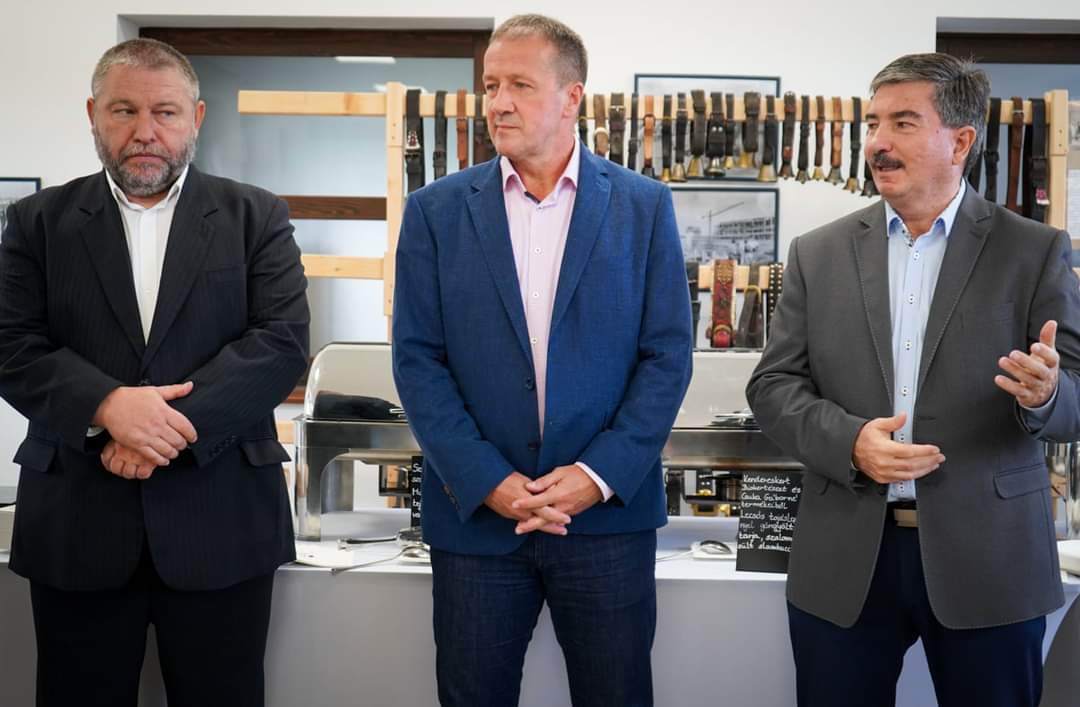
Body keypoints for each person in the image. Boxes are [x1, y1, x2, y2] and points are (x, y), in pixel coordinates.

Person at [747, 52, 1080, 707]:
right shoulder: (817, 253)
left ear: (960, 141)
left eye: (903, 123)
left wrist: (1046, 395)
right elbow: (773, 386)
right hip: (845, 559)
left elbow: (1075, 391)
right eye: (873, 123)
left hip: (989, 556)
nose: (877, 141)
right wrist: (851, 442)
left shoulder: (1033, 251)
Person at [392, 14, 692, 707]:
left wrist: (595, 475)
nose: (497, 102)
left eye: (520, 85)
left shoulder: (643, 207)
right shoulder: (435, 212)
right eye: (490, 85)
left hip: (606, 519)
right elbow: (417, 361)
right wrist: (487, 479)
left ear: (571, 97)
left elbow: (667, 356)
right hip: (477, 522)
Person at [0, 38, 309, 707]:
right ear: (93, 115)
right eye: (124, 110)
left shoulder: (256, 215)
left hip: (222, 519)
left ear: (196, 117)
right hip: (77, 523)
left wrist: (160, 428)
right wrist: (108, 407)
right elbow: (11, 344)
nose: (145, 131)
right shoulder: (36, 223)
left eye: (165, 112)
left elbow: (281, 343)